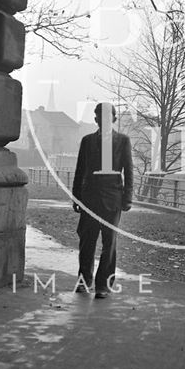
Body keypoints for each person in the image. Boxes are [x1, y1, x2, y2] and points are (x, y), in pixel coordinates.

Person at [72, 103, 134, 299]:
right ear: (96, 119)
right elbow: (80, 170)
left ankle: (103, 286)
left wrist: (128, 198)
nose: (104, 120)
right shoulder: (87, 141)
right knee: (87, 242)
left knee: (110, 243)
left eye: (108, 117)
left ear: (114, 119)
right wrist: (76, 197)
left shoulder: (123, 141)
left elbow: (129, 171)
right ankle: (84, 282)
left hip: (113, 200)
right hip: (89, 199)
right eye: (100, 116)